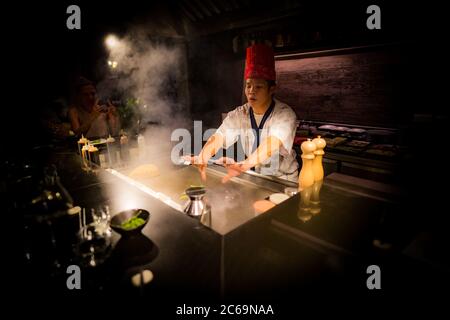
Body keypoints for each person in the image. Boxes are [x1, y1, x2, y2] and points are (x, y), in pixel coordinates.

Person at [189, 44, 299, 183]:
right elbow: (220, 136)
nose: (251, 91)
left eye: (258, 86)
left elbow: (271, 144)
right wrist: (203, 156)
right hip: (258, 177)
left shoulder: (284, 114)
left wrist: (243, 166)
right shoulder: (240, 114)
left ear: (272, 89)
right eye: (248, 85)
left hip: (284, 180)